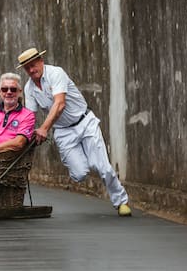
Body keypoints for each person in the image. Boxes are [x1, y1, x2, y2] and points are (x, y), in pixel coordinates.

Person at [17, 47, 132, 216]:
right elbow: (29, 116)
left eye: (34, 65)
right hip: (63, 132)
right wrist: (24, 137)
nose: (32, 70)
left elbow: (60, 104)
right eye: (27, 68)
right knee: (79, 174)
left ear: (41, 61)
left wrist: (44, 128)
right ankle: (87, 159)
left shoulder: (56, 73)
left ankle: (121, 202)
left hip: (85, 122)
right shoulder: (29, 88)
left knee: (103, 167)